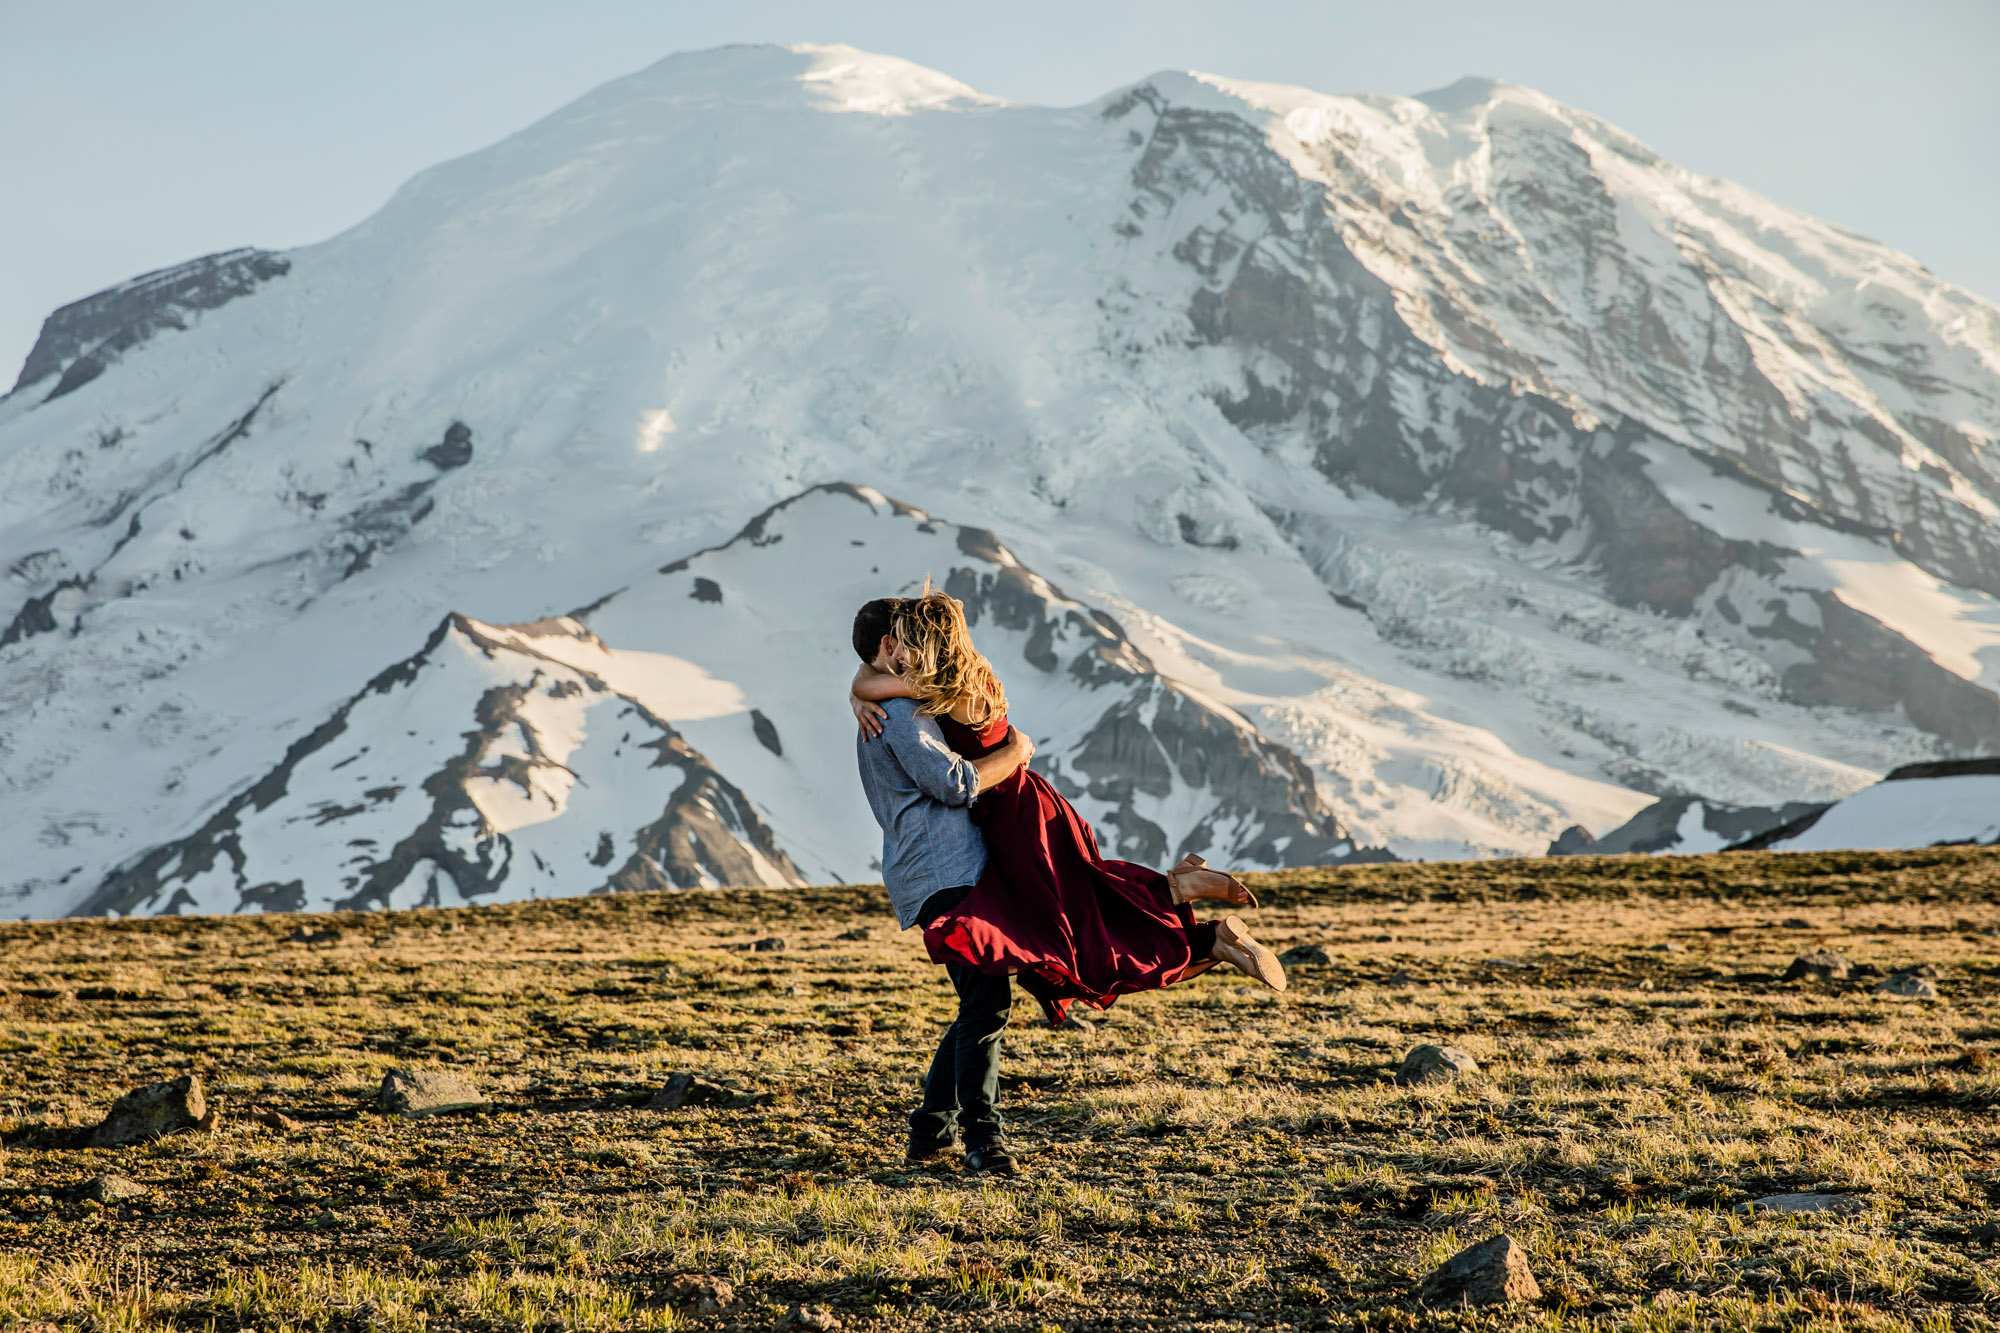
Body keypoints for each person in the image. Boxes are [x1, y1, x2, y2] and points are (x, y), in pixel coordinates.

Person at [849, 589, 1286, 1041]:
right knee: (1079, 902)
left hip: (1012, 815)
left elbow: (870, 684)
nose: (904, 651)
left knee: (1069, 929)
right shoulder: (970, 674)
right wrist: (862, 688)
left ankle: (1189, 908)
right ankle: (1183, 893)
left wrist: (858, 694)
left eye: (910, 641)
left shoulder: (943, 688)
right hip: (1026, 805)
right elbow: (872, 677)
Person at [849, 597, 1036, 1176]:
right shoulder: (900, 714)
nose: (920, 643)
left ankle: (931, 1130)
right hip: (940, 871)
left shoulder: (894, 702)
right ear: (889, 647)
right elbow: (953, 784)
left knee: (977, 1002)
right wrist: (1016, 752)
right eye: (907, 635)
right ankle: (984, 1138)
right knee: (987, 1001)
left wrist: (860, 687)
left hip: (938, 870)